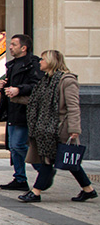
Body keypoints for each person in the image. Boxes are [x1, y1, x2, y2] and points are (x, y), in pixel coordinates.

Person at [17, 50, 95, 203]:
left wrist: (74, 129)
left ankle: (36, 192)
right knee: (68, 160)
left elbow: (73, 107)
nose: (40, 62)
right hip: (46, 127)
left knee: (49, 159)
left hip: (60, 127)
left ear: (51, 62)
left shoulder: (67, 81)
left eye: (43, 59)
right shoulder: (45, 80)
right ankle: (88, 190)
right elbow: (35, 101)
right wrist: (14, 96)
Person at [0, 34, 42, 191]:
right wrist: (2, 86)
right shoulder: (12, 65)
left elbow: (37, 86)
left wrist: (19, 89)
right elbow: (11, 87)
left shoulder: (33, 64)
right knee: (13, 146)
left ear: (24, 48)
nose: (10, 47)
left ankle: (43, 170)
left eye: (14, 44)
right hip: (12, 110)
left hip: (25, 111)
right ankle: (20, 178)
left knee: (18, 145)